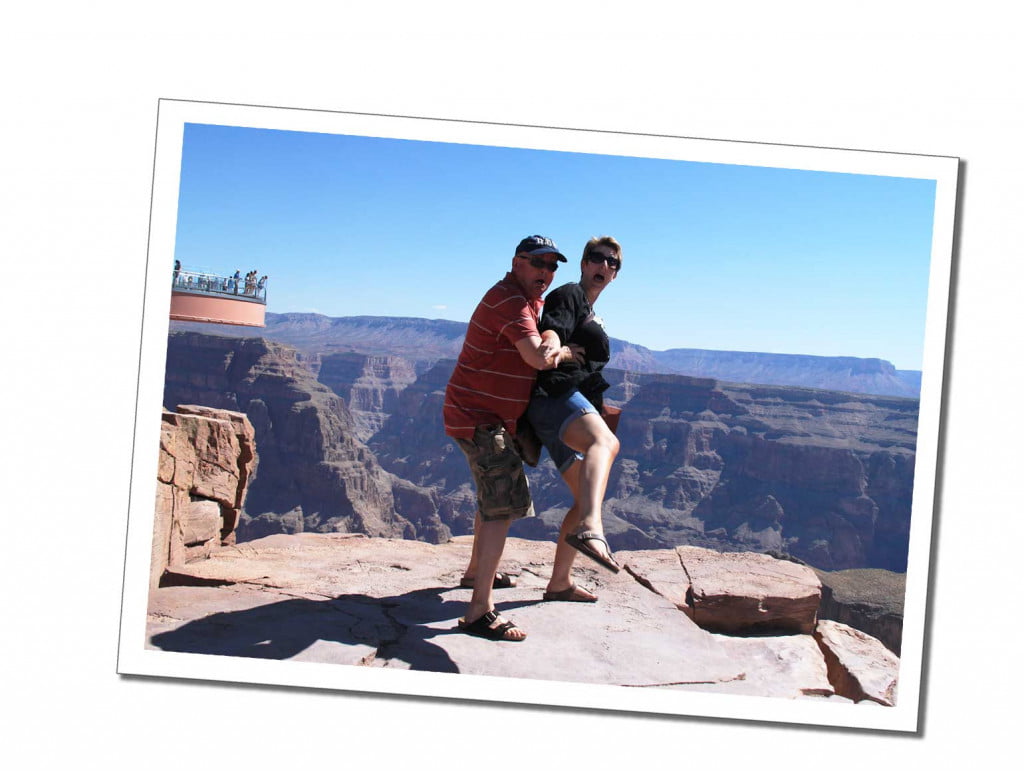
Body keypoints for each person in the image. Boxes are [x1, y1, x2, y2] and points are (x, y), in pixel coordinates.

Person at [443, 235, 578, 641]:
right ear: (517, 263)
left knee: (492, 496)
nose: (546, 273)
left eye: (553, 266)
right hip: (478, 416)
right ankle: (479, 612)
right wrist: (566, 349)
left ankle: (473, 574)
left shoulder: (528, 300)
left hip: (488, 416)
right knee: (502, 504)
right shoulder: (510, 300)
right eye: (538, 264)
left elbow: (542, 342)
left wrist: (552, 338)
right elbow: (538, 358)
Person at [526, 236, 624, 603]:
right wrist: (555, 346)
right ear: (583, 263)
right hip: (555, 397)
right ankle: (592, 529)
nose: (603, 266)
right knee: (606, 443)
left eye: (611, 263)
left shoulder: (591, 310)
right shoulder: (568, 295)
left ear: (615, 274)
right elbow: (552, 327)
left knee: (585, 496)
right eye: (596, 259)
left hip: (560, 405)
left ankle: (559, 583)